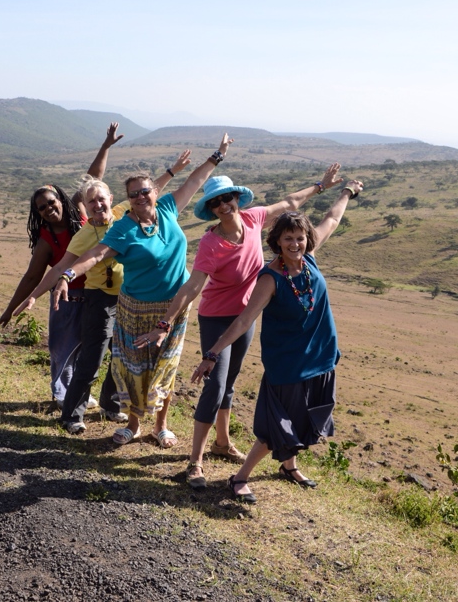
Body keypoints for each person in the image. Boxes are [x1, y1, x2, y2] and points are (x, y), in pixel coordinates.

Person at [134, 164, 344, 489]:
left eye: (228, 198)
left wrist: (320, 185)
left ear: (237, 199)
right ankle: (195, 463)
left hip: (246, 317)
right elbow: (192, 287)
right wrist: (166, 322)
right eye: (217, 203)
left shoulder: (253, 218)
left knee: (229, 383)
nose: (224, 205)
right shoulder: (211, 244)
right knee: (215, 386)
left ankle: (222, 442)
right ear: (212, 209)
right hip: (218, 318)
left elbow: (289, 204)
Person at [47, 135, 235, 448]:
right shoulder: (124, 227)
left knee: (167, 365)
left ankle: (161, 425)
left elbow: (195, 179)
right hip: (136, 308)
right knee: (135, 367)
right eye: (133, 195)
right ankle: (133, 424)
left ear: (154, 191)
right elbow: (96, 254)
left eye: (144, 191)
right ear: (129, 199)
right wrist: (68, 274)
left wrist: (218, 155)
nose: (140, 197)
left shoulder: (169, 208)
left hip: (174, 306)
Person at [190, 178, 364, 504]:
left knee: (303, 415)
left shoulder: (309, 259)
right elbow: (243, 319)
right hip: (287, 361)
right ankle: (240, 477)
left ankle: (289, 467)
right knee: (277, 428)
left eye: (300, 238)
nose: (296, 244)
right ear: (277, 242)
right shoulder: (271, 278)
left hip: (320, 355)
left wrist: (346, 192)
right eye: (288, 239)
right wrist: (212, 352)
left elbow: (332, 219)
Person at [12, 153, 192, 434]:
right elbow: (62, 265)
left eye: (101, 199)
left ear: (110, 199)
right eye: (91, 201)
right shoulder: (83, 235)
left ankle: (110, 405)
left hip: (129, 299)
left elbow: (147, 192)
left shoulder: (122, 214)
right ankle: (72, 415)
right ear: (86, 205)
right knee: (93, 359)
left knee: (120, 357)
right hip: (100, 300)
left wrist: (173, 170)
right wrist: (36, 294)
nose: (97, 205)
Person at [0, 123, 122, 410]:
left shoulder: (82, 213)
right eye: (41, 208)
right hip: (65, 299)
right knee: (61, 351)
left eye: (51, 202)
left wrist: (106, 145)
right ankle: (64, 398)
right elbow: (33, 276)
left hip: (96, 294)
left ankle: (93, 397)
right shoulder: (46, 239)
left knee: (97, 351)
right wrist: (11, 307)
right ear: (37, 213)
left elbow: (94, 178)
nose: (48, 209)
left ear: (60, 200)